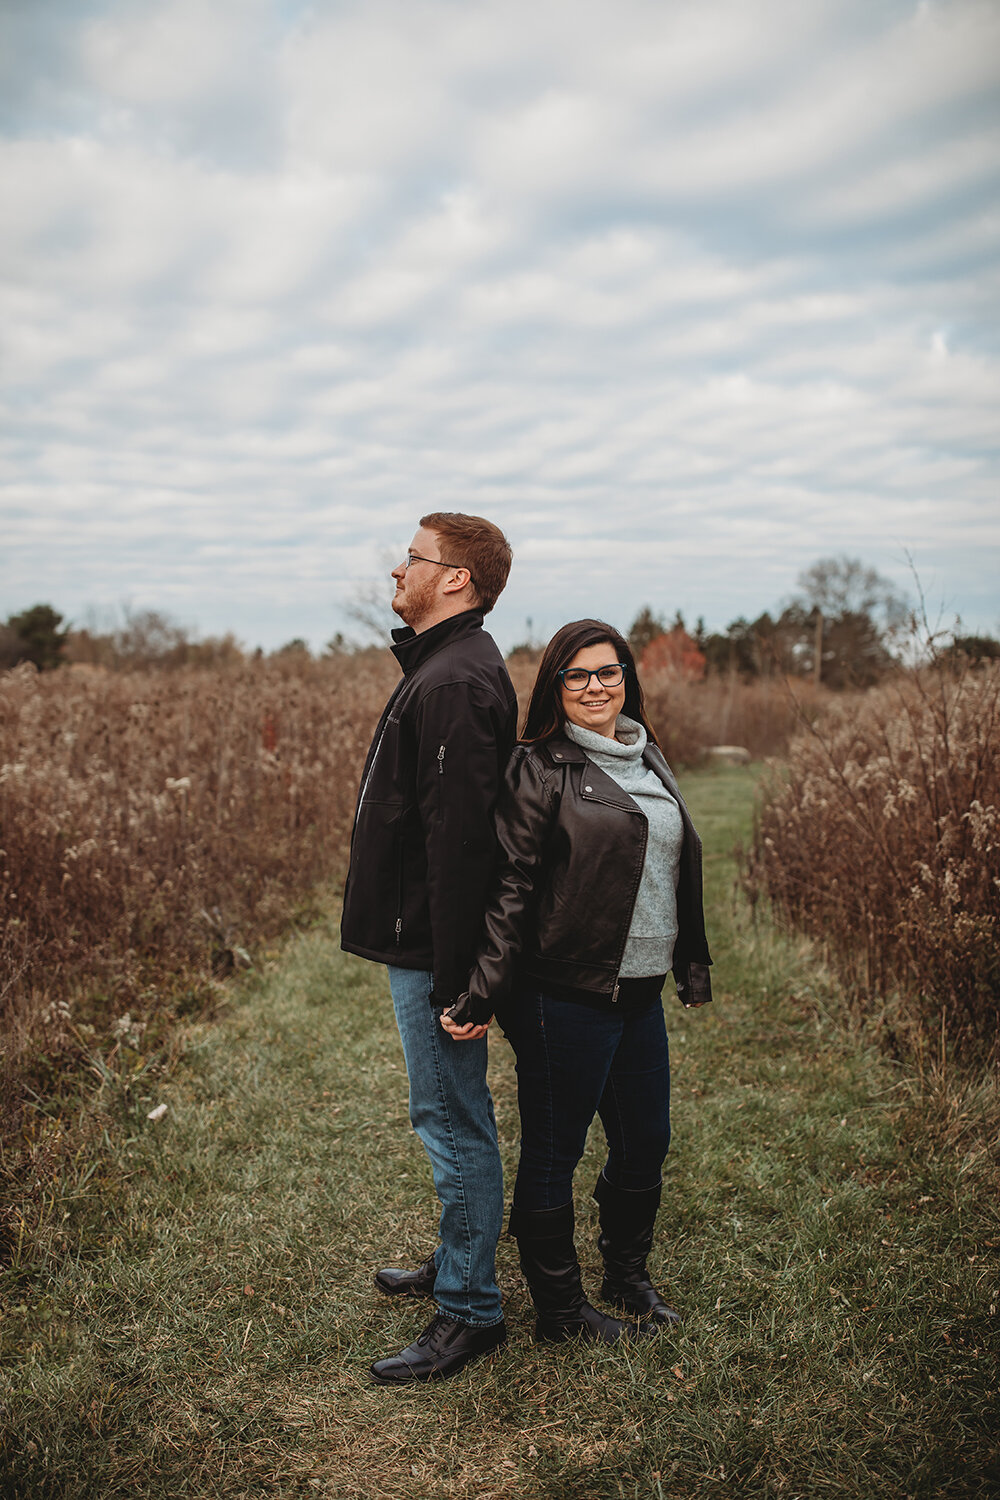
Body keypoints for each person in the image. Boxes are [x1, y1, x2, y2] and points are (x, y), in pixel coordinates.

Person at [441, 618, 712, 1344]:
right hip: (564, 993)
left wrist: (687, 963)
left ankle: (627, 1276)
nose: (597, 686)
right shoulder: (539, 766)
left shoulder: (645, 752)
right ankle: (561, 1314)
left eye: (610, 671)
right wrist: (484, 988)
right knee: (554, 1155)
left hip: (638, 990)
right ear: (556, 686)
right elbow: (511, 886)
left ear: (628, 677)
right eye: (579, 675)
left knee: (644, 1145)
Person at [340, 513, 517, 1384]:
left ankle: (470, 1311)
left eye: (414, 557)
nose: (398, 567)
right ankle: (457, 1267)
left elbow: (462, 846)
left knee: (450, 1119)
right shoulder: (444, 666)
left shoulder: (453, 681)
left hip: (433, 952)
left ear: (455, 579)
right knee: (445, 1116)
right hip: (420, 940)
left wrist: (462, 983)